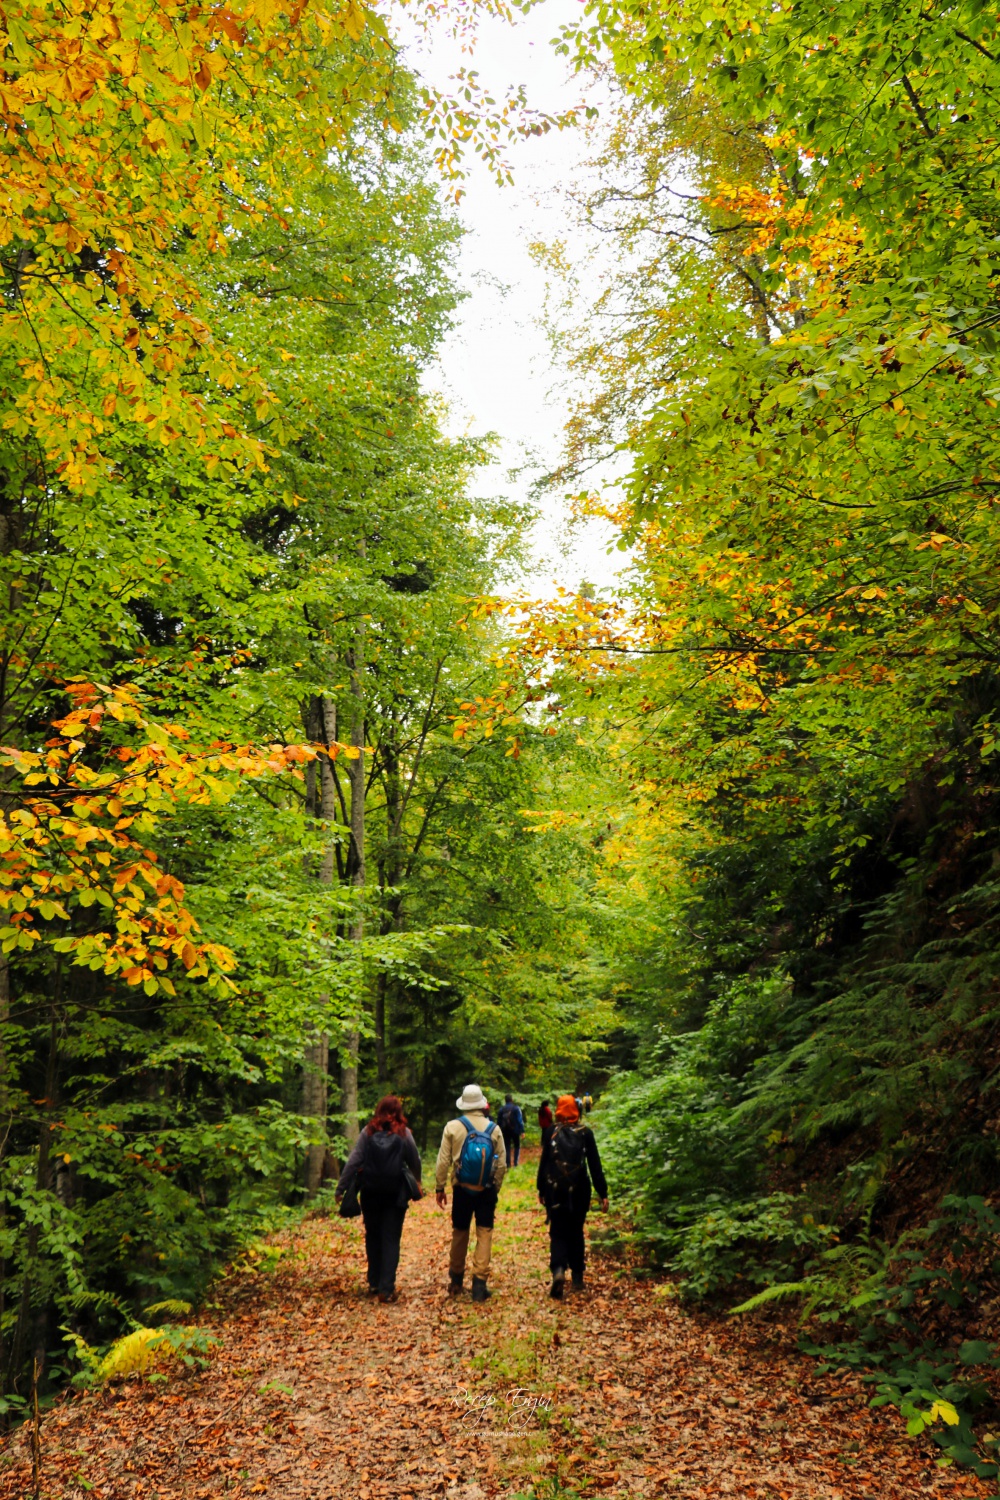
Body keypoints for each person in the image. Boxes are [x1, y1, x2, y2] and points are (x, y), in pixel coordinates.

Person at [336, 1095, 422, 1304]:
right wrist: (417, 1181)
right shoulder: (404, 1133)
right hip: (395, 1194)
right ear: (398, 1112)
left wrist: (341, 1188)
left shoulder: (368, 1132)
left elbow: (354, 1160)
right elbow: (415, 1159)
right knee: (391, 1238)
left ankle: (374, 1282)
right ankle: (387, 1288)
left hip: (370, 1192)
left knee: (373, 1235)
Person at [435, 1083, 506, 1303]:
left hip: (461, 1189)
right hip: (485, 1189)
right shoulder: (494, 1129)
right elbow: (502, 1164)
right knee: (484, 1232)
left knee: (460, 1231)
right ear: (481, 1104)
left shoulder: (452, 1127)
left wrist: (440, 1187)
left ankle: (456, 1280)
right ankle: (479, 1285)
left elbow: (443, 1161)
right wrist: (494, 1187)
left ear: (464, 1104)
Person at [537, 1093, 608, 1299]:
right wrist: (602, 1192)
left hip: (555, 1190)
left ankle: (559, 1270)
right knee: (576, 1231)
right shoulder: (586, 1133)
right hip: (580, 1191)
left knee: (558, 1231)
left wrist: (541, 1189)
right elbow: (595, 1165)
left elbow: (545, 1164)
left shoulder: (551, 1131)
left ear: (559, 1112)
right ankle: (577, 1277)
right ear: (576, 1111)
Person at [497, 1093, 525, 1167]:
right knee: (517, 1146)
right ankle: (515, 1163)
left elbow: (498, 1122)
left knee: (507, 1147)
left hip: (505, 1131)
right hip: (515, 1130)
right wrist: (522, 1131)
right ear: (512, 1100)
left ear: (505, 1100)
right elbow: (520, 1120)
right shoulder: (516, 1108)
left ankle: (508, 1164)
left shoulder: (501, 1109)